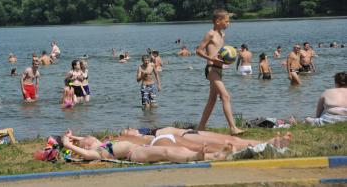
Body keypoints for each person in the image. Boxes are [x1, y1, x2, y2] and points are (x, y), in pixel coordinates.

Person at [195, 9, 244, 135]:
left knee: (212, 100)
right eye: (226, 21)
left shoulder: (222, 35)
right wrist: (210, 58)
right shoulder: (210, 34)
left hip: (219, 69)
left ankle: (200, 128)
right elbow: (199, 51)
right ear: (218, 21)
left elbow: (220, 52)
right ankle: (233, 128)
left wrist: (232, 52)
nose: (229, 24)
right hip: (211, 69)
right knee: (226, 96)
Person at [62, 129, 231, 163]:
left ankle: (214, 156)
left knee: (171, 151)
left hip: (139, 149)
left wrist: (71, 137)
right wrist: (67, 143)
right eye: (83, 140)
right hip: (134, 154)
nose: (86, 138)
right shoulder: (95, 151)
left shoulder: (99, 143)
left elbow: (85, 139)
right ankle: (197, 156)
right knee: (166, 151)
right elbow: (83, 152)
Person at [120, 127, 291, 152]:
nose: (128, 129)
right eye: (126, 130)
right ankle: (267, 146)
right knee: (227, 144)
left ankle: (267, 142)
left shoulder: (146, 130)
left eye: (128, 128)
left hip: (190, 131)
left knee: (231, 138)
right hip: (187, 136)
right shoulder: (143, 137)